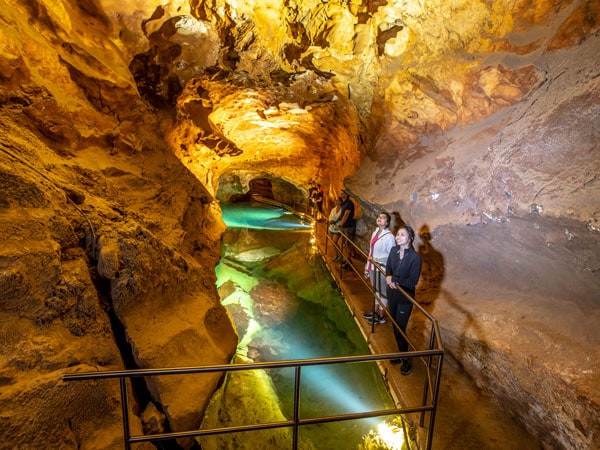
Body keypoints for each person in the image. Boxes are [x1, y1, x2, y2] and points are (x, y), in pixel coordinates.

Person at [385, 225, 421, 375]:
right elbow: (388, 268)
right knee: (394, 326)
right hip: (392, 294)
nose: (398, 237)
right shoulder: (393, 251)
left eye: (402, 235)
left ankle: (405, 360)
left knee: (400, 328)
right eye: (397, 234)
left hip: (405, 297)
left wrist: (395, 279)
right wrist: (389, 277)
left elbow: (412, 282)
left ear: (410, 238)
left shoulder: (415, 257)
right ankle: (401, 354)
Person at [362, 212, 396, 325]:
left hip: (382, 268)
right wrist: (367, 266)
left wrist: (376, 259)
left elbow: (391, 255)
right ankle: (375, 312)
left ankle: (381, 316)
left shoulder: (390, 237)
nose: (380, 219)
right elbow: (371, 251)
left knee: (382, 292)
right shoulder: (376, 232)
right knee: (376, 291)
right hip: (372, 267)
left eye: (383, 218)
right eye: (379, 217)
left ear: (387, 222)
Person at [335, 189, 356, 270]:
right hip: (345, 227)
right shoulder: (344, 203)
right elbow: (342, 215)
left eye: (344, 193)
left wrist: (340, 225)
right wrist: (336, 221)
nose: (342, 194)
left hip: (348, 227)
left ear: (347, 195)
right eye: (342, 193)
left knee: (348, 245)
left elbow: (346, 215)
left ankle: (349, 262)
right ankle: (347, 260)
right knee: (345, 244)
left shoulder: (349, 203)